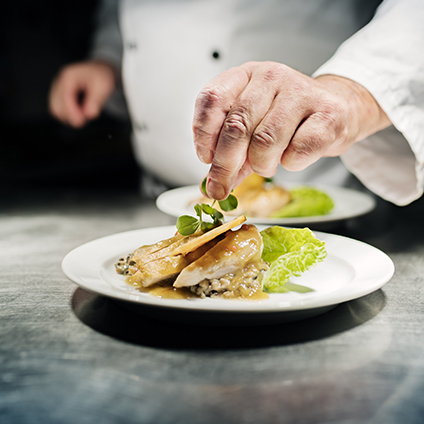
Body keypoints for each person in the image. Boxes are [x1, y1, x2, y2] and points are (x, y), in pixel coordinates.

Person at [49, 0, 424, 205]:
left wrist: (356, 90)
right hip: (153, 197)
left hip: (324, 194)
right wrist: (108, 56)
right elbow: (124, 11)